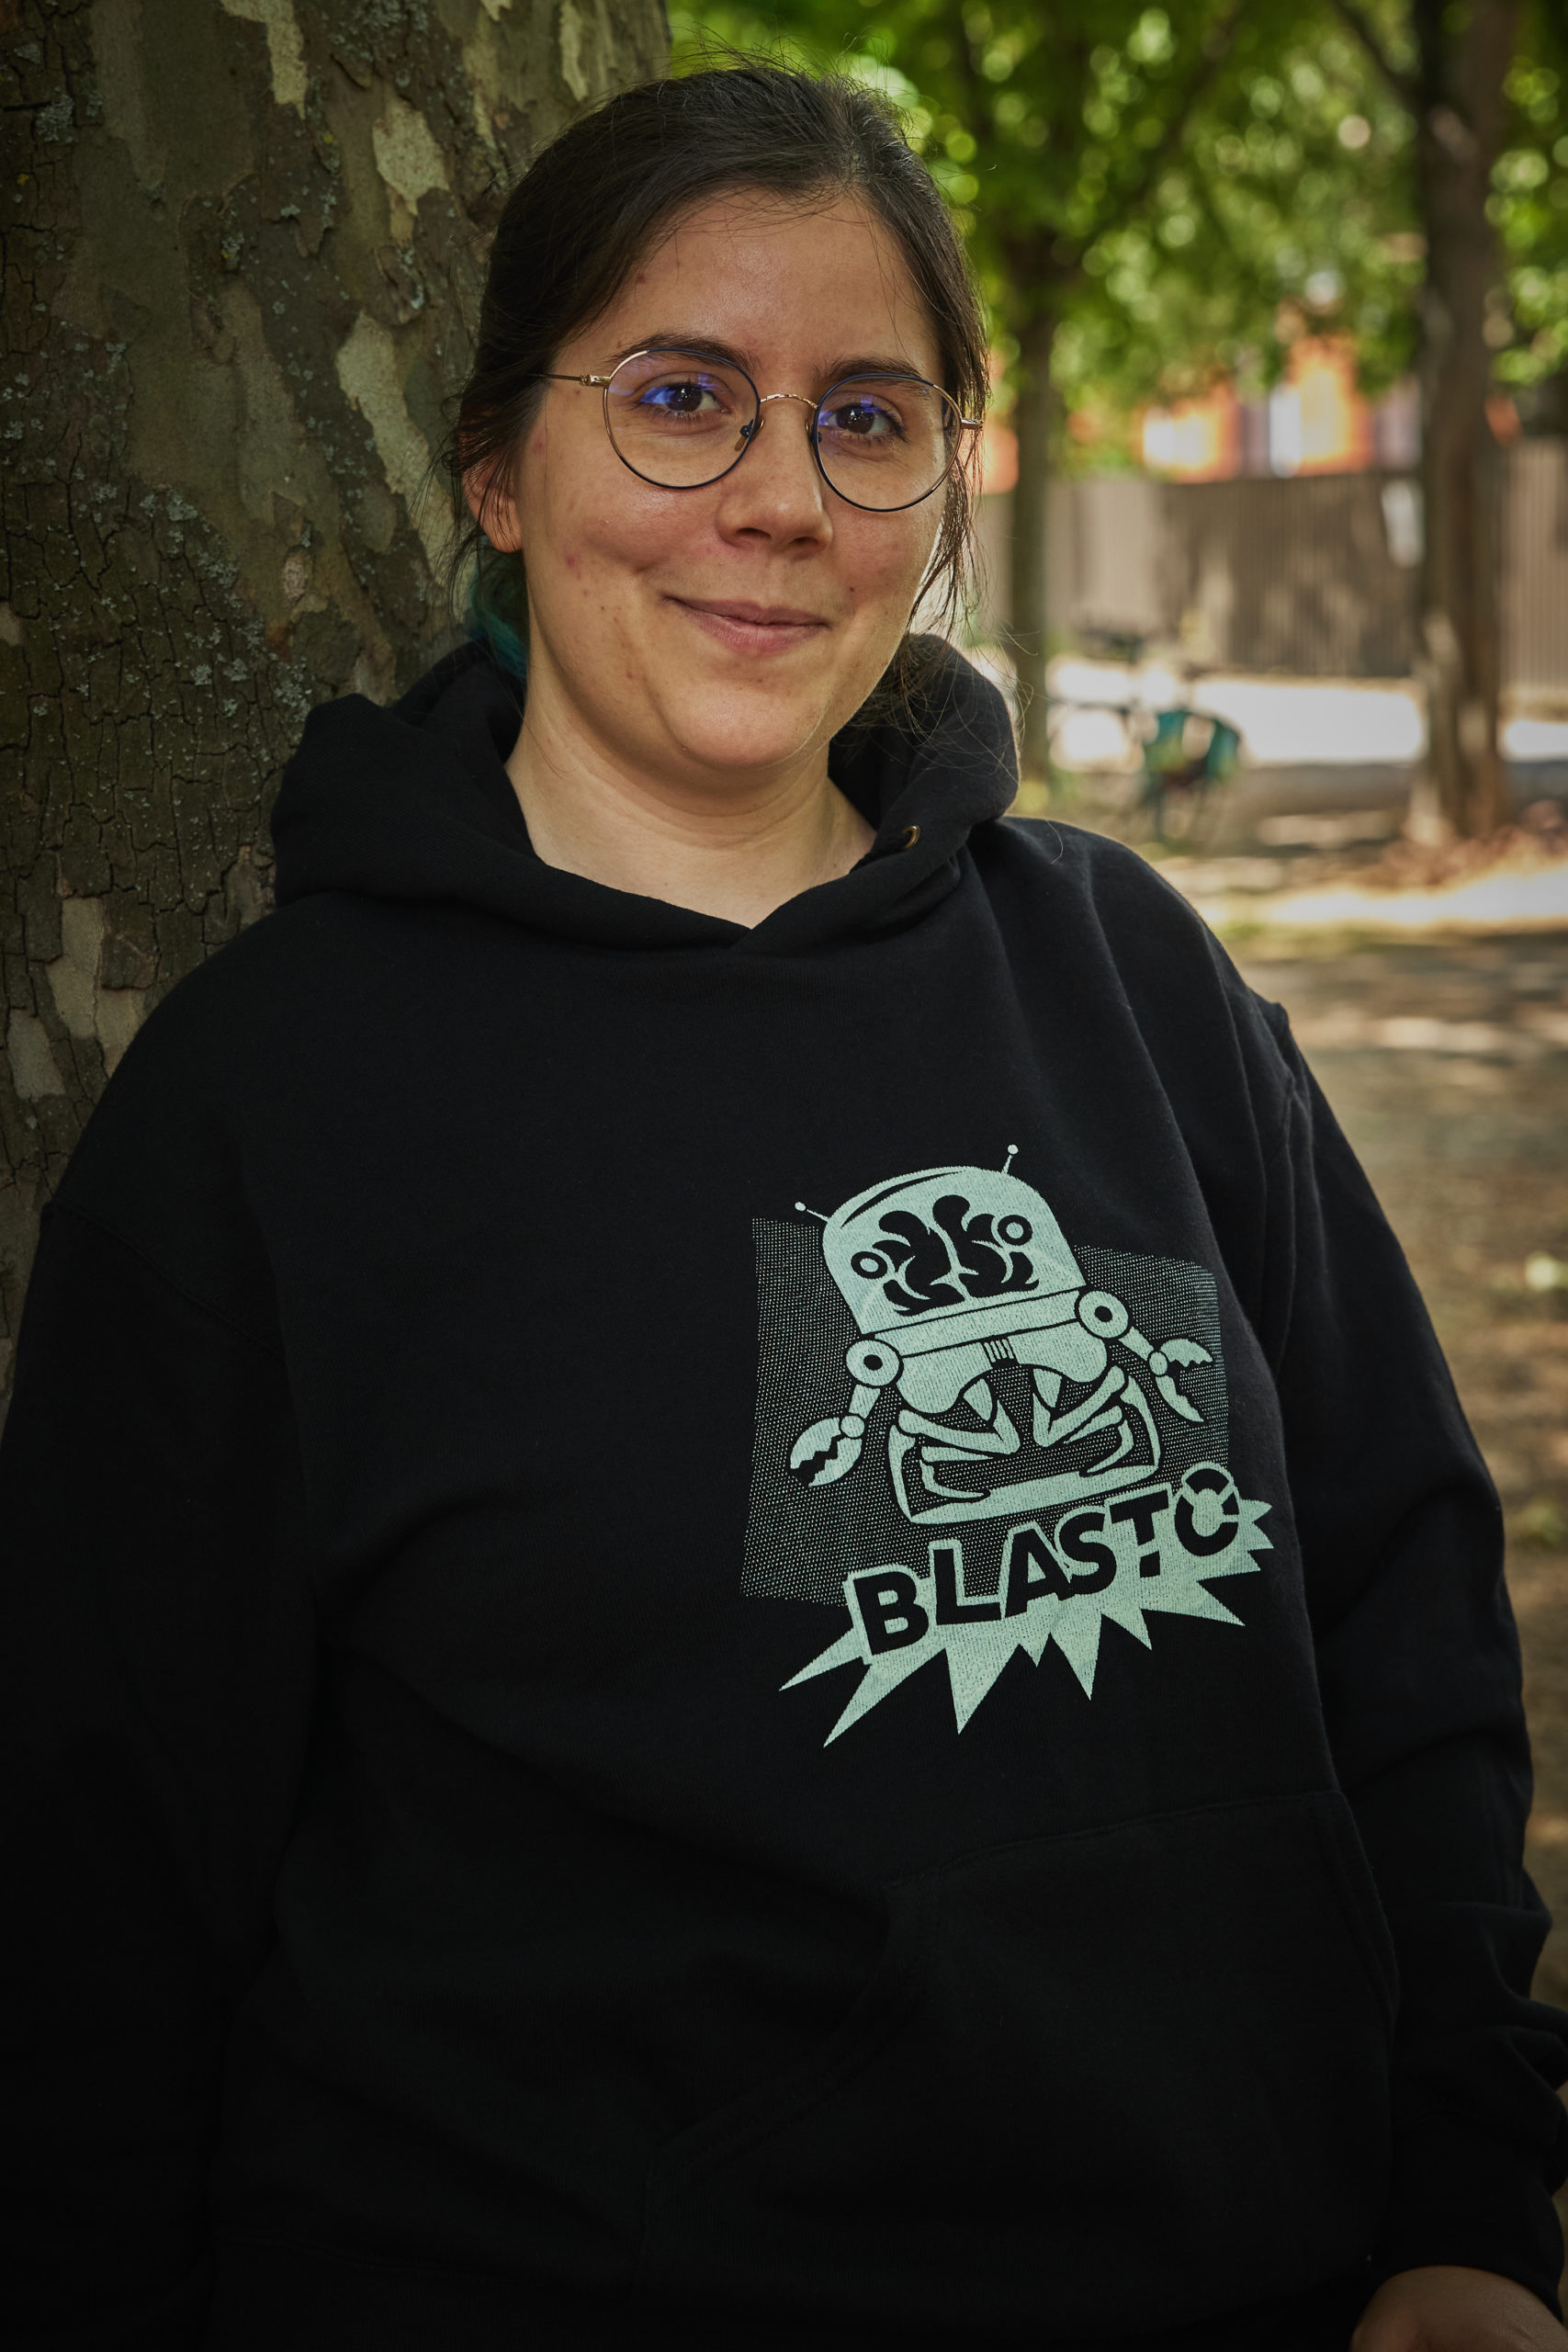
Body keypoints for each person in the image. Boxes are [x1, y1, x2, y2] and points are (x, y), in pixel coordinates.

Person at [2, 62, 1565, 2352]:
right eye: (675, 397)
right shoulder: (267, 1109)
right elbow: (94, 1921)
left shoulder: (1124, 978)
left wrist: (1470, 2202)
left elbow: (1397, 1599)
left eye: (864, 417)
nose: (775, 497)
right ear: (495, 469)